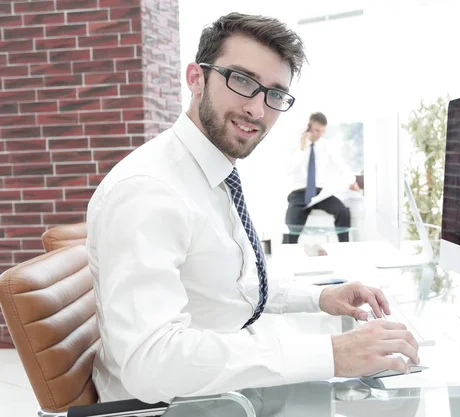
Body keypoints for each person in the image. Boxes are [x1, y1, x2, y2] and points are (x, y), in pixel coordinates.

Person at [85, 12, 419, 404]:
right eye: (242, 81)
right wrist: (333, 354)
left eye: (274, 94)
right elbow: (151, 365)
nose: (258, 110)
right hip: (174, 406)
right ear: (196, 78)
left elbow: (234, 286)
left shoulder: (212, 171)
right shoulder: (149, 192)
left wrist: (320, 297)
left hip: (221, 389)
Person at [283, 112, 360, 244]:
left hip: (320, 193)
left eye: (322, 131)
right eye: (316, 130)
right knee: (292, 223)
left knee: (342, 211)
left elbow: (340, 165)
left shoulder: (327, 146)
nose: (318, 134)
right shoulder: (295, 144)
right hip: (299, 193)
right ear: (308, 126)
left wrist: (351, 180)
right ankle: (288, 255)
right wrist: (302, 148)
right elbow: (288, 169)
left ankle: (345, 248)